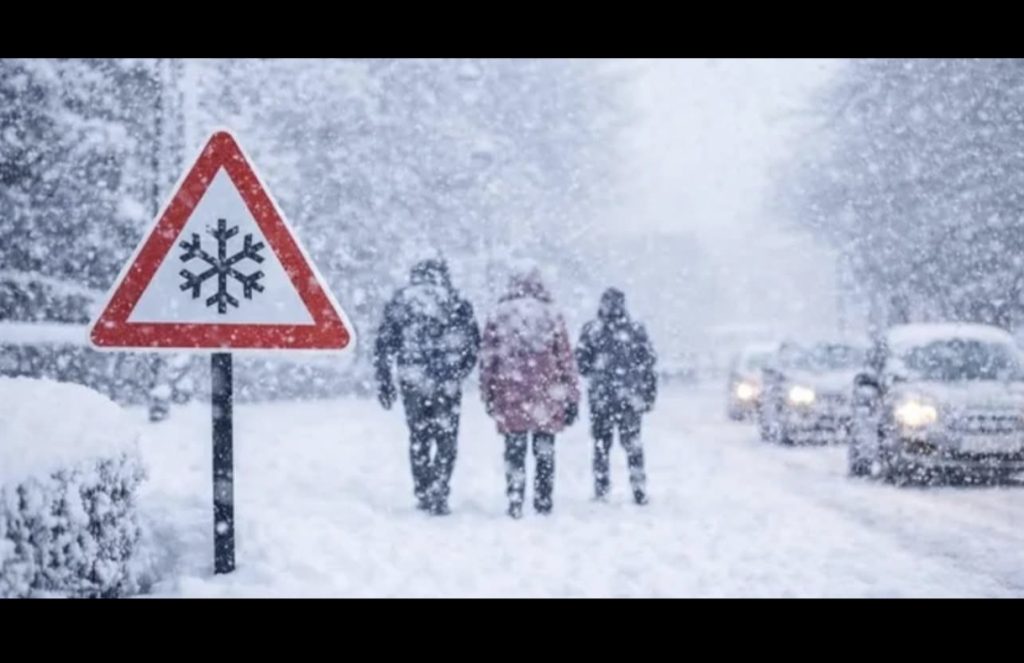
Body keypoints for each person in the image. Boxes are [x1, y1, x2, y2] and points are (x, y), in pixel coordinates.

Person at [374, 258, 480, 515]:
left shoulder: (402, 301)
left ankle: (423, 490)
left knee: (419, 436)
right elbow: (473, 343)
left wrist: (385, 380)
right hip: (447, 382)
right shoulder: (456, 301)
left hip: (413, 379)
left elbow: (385, 344)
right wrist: (459, 371)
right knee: (446, 438)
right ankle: (439, 490)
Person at [479, 268, 580, 519]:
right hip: (546, 394)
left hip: (510, 392)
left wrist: (488, 392)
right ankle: (543, 501)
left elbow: (488, 359)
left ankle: (515, 498)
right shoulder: (551, 314)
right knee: (544, 450)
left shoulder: (499, 314)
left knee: (514, 450)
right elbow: (565, 359)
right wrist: (571, 395)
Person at [576, 288, 657, 505]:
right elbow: (648, 365)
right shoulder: (636, 330)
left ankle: (601, 488)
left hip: (601, 398)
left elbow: (581, 364)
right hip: (629, 397)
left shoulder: (592, 330)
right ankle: (638, 488)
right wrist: (648, 394)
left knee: (601, 445)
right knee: (633, 445)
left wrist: (598, 372)